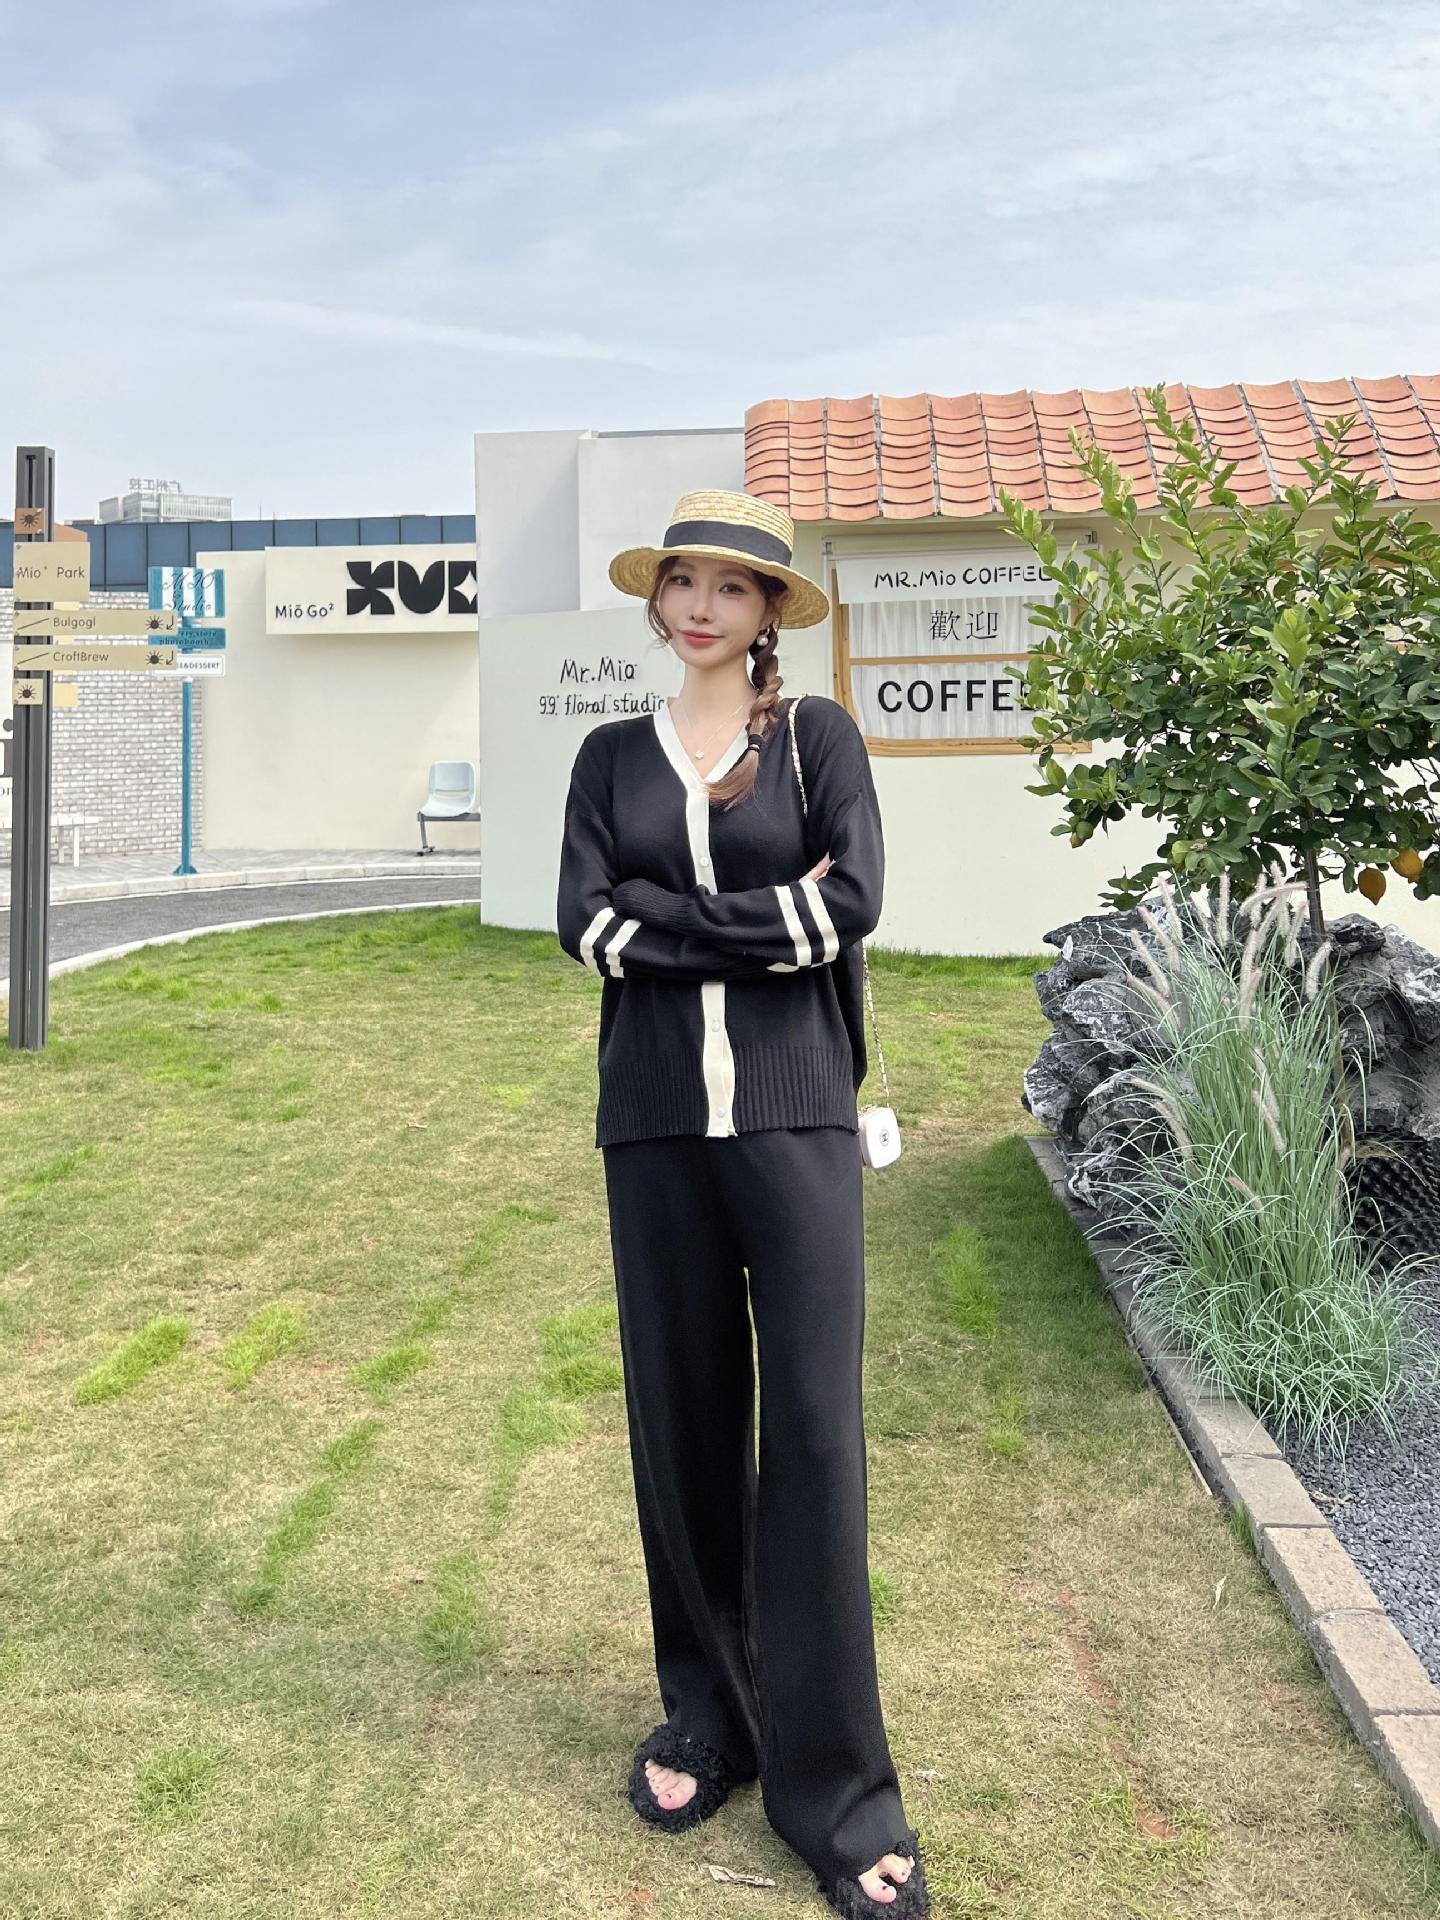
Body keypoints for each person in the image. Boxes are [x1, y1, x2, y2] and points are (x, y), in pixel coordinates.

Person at [555, 489, 931, 1918]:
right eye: (684, 582)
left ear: (771, 609)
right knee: (685, 1423)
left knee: (817, 1437)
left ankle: (838, 1792)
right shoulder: (609, 757)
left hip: (795, 1117)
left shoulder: (817, 739)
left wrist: (668, 918)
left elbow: (853, 905)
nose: (703, 606)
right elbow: (586, 927)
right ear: (659, 600)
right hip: (654, 1124)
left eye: (733, 586)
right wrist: (750, 928)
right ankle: (707, 1717)